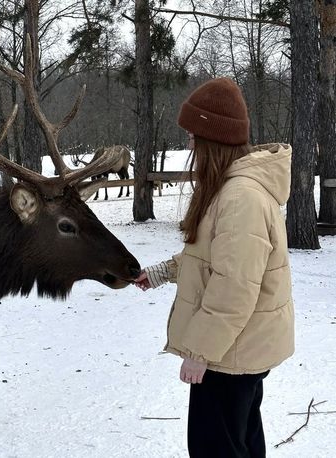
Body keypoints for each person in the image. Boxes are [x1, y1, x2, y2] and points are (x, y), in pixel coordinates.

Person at [135, 77, 294, 458]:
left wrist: (199, 352)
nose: (189, 144)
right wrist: (158, 273)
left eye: (193, 135)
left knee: (215, 448)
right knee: (241, 441)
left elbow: (234, 288)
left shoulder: (241, 198)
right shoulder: (230, 189)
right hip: (237, 347)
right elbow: (211, 259)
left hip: (230, 353)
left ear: (213, 139)